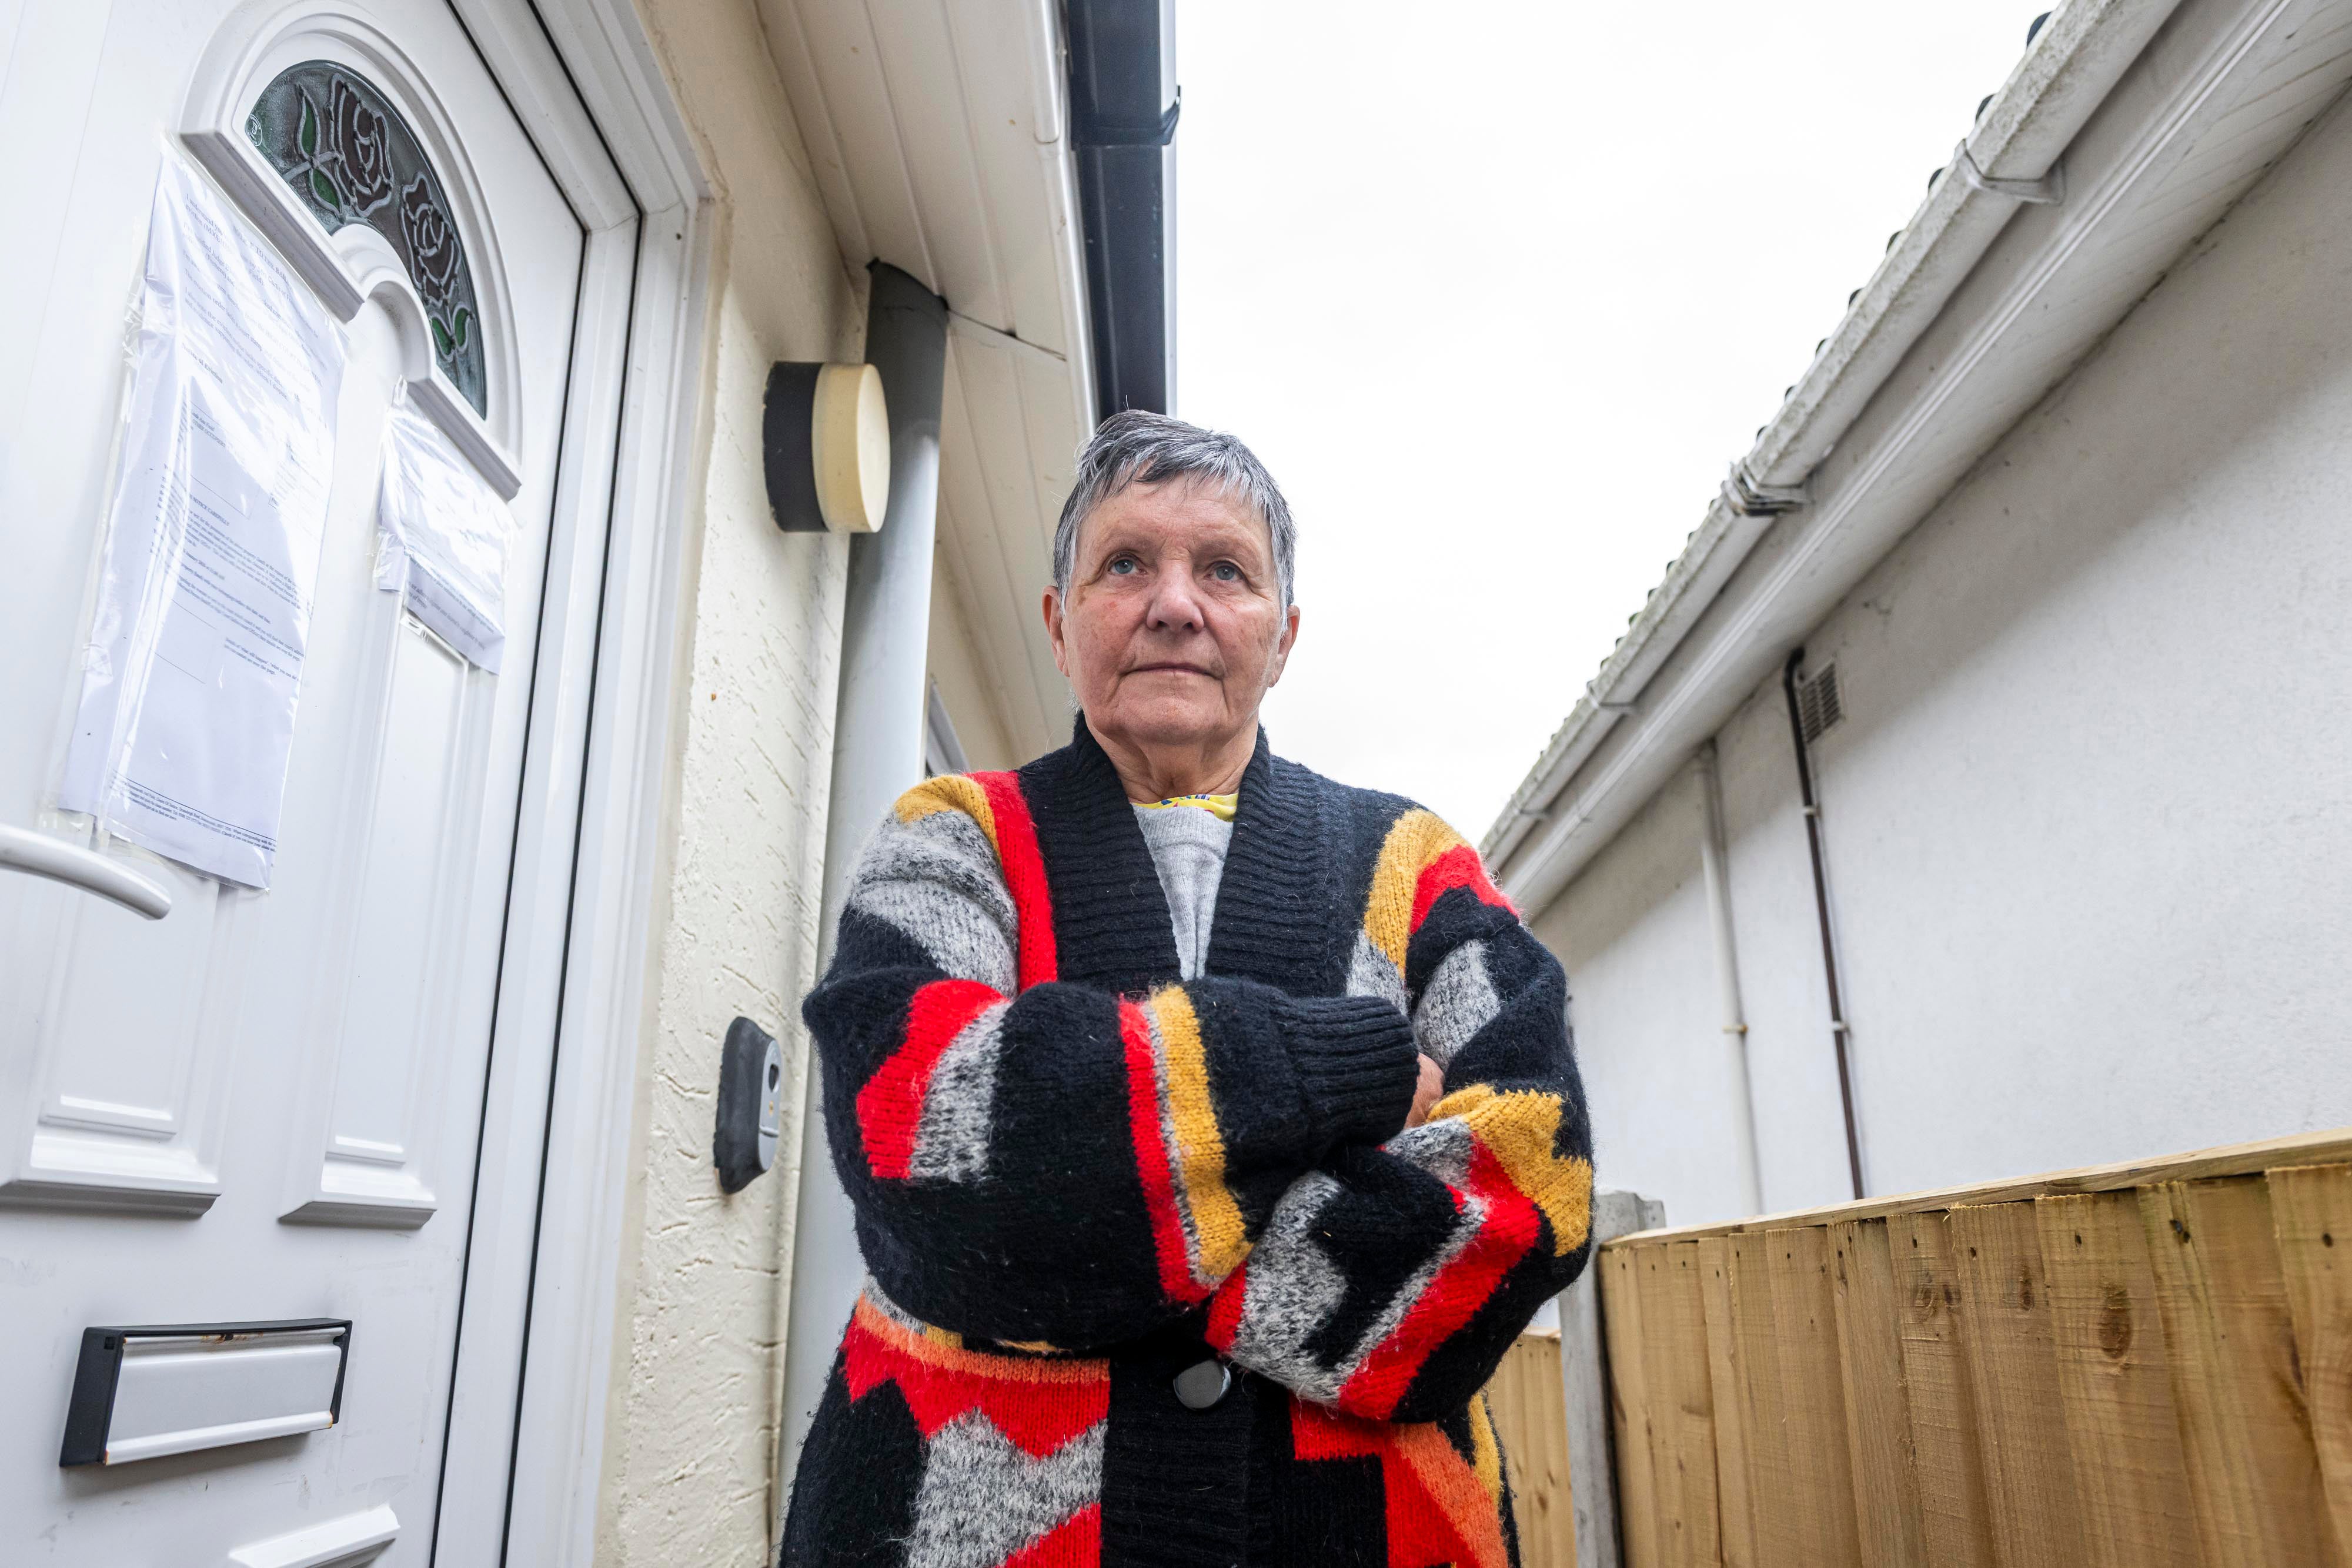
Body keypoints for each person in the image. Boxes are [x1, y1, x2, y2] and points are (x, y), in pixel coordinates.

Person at [781, 411, 1593, 1568]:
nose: (1173, 602)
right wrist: (1344, 1075)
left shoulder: (1417, 865)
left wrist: (1089, 1203)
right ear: (1061, 626)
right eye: (1125, 563)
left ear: (1283, 634)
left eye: (1223, 568)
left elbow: (1532, 1184)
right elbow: (924, 1151)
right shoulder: (952, 836)